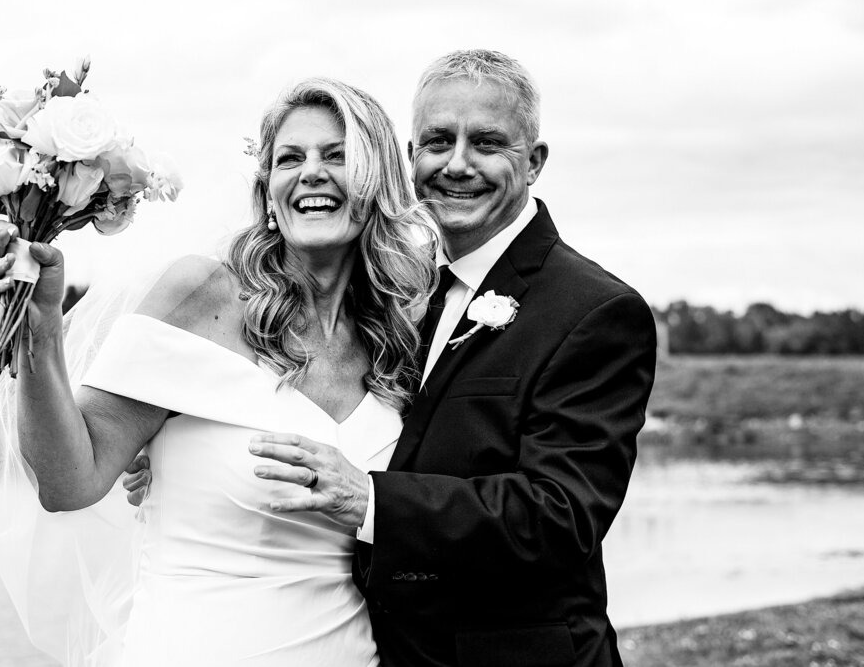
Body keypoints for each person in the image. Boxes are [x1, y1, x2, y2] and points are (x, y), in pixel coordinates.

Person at [0, 77, 437, 667]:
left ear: (379, 182)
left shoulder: (402, 336)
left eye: (337, 155)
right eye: (289, 158)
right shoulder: (201, 294)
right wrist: (40, 325)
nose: (311, 173)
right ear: (268, 191)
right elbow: (69, 482)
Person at [244, 50, 657, 666]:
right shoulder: (401, 302)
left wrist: (372, 502)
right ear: (411, 159)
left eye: (487, 143)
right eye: (438, 142)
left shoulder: (595, 311)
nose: (457, 165)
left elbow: (561, 516)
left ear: (535, 162)